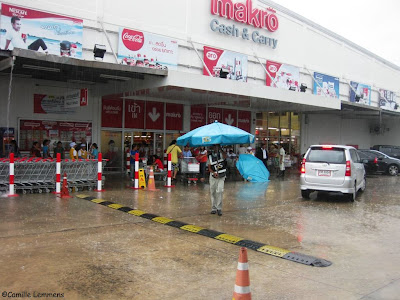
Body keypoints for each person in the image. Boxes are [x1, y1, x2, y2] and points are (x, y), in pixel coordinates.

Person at [208, 144, 227, 216]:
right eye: (214, 147)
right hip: (213, 176)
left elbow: (225, 157)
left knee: (219, 190)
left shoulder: (222, 154)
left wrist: (221, 150)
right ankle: (213, 207)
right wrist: (213, 172)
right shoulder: (210, 156)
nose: (215, 148)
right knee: (213, 192)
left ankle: (219, 208)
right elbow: (209, 167)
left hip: (221, 176)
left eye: (217, 147)